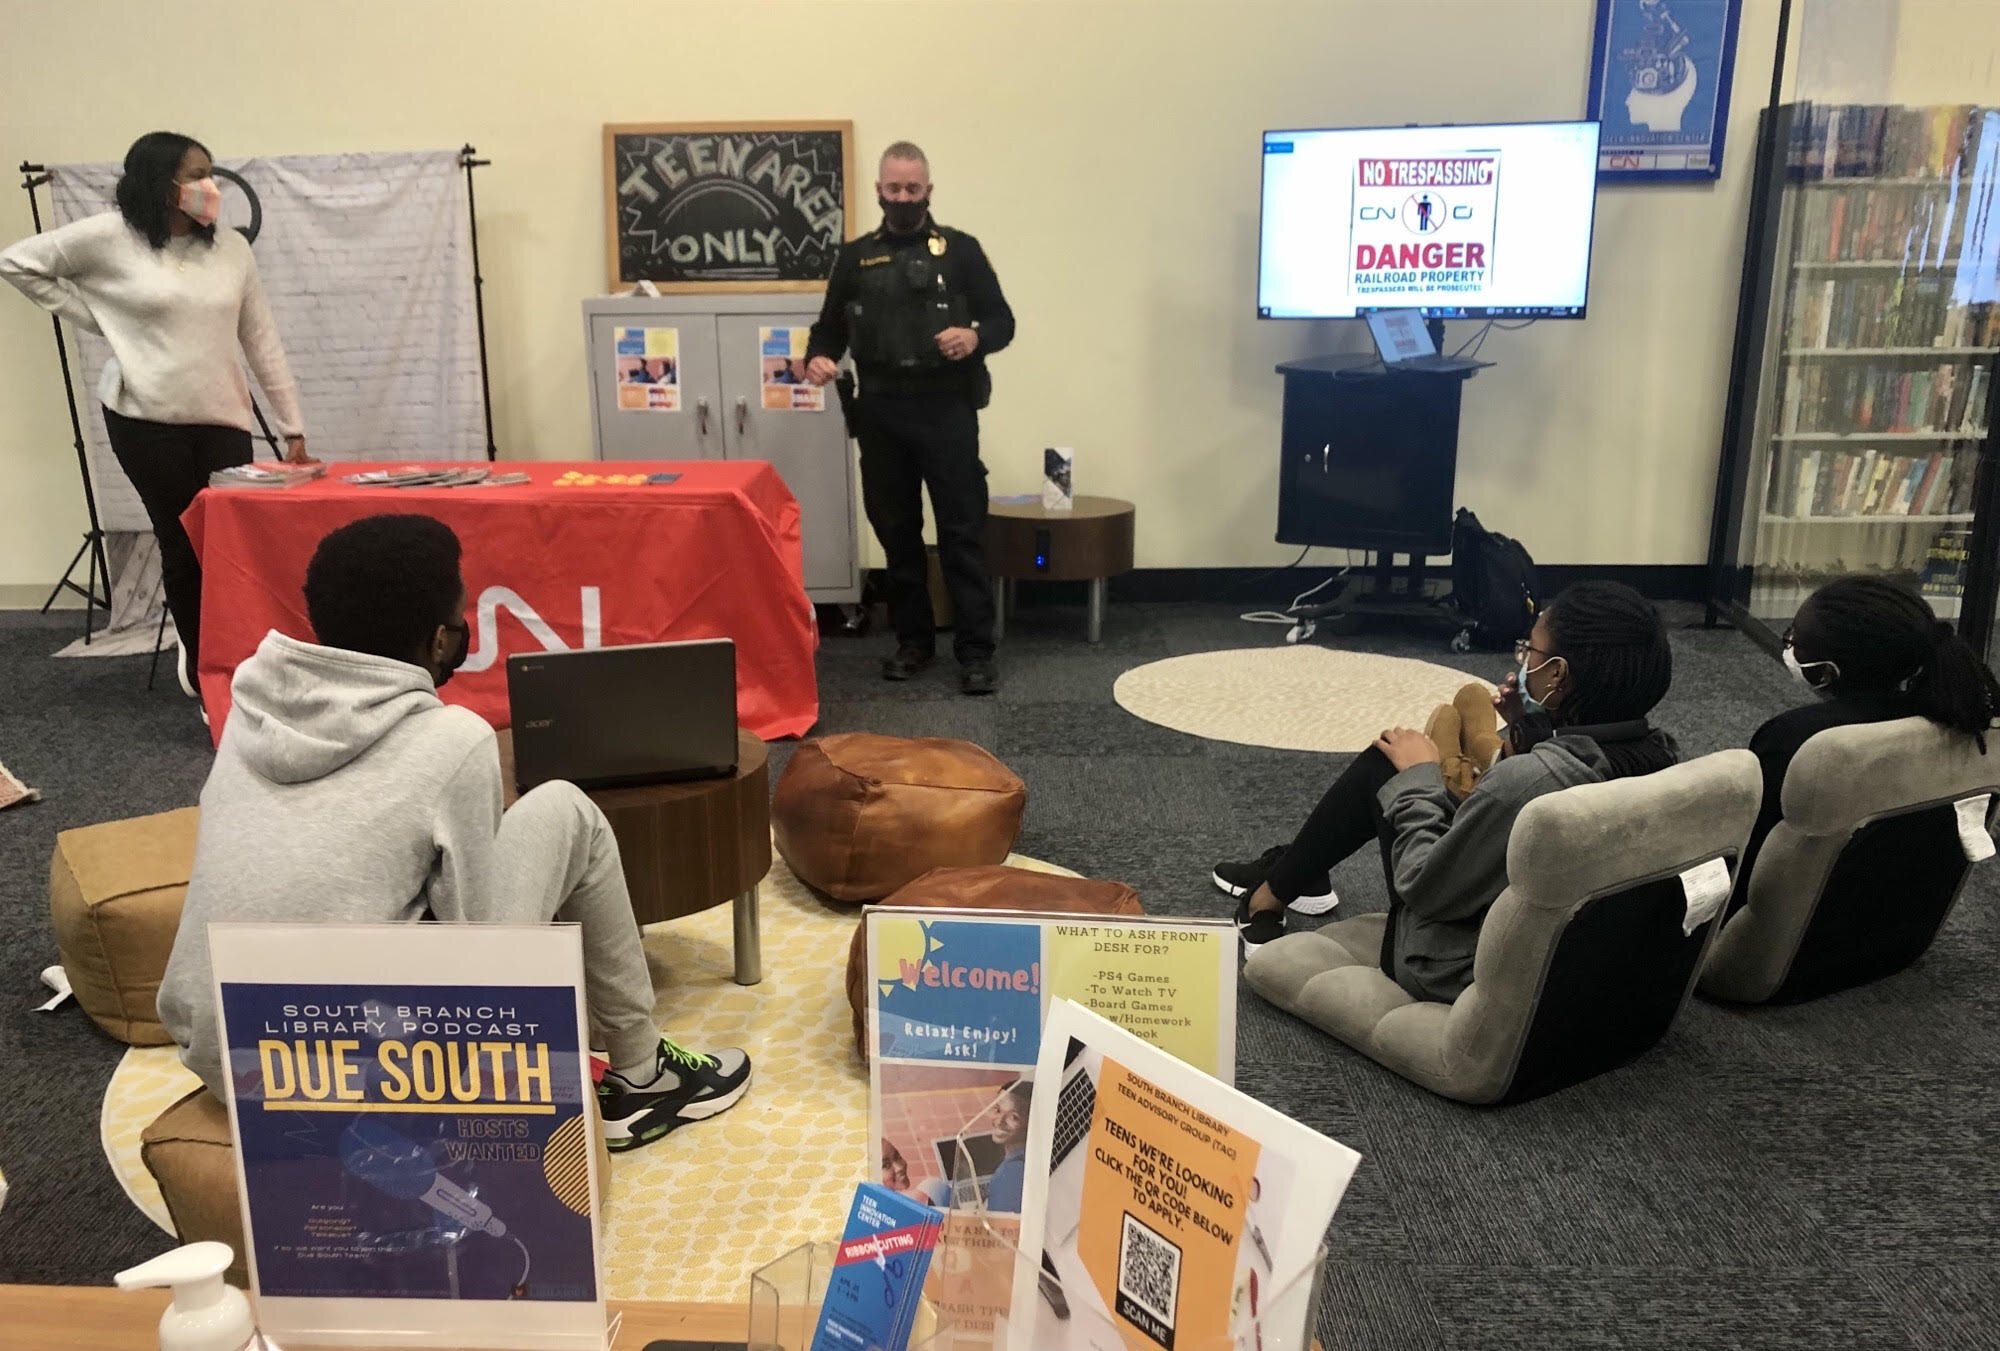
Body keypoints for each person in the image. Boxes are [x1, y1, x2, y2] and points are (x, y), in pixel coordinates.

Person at [154, 514, 752, 1151]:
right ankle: (642, 1072)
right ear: (441, 639)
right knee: (566, 809)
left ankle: (624, 1053)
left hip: (224, 1055)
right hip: (371, 1077)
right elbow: (479, 945)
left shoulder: (252, 706)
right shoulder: (453, 739)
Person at [1217, 581, 1679, 1002]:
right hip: (1577, 957)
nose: (1523, 662)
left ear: (1556, 674)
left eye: (1530, 653)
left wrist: (1416, 778)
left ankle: (1272, 891)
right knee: (1423, 759)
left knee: (1389, 759)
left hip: (1452, 963)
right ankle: (1300, 867)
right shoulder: (1662, 758)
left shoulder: (1530, 784)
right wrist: (1527, 726)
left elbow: (1424, 887)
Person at [0, 131, 311, 714]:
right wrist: (98, 319)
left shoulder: (231, 253)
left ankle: (233, 654)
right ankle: (205, 670)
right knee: (184, 541)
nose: (208, 186)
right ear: (159, 183)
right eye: (195, 174)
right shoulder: (109, 238)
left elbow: (260, 339)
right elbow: (16, 262)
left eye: (209, 172)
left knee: (227, 546)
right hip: (144, 419)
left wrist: (292, 424)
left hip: (221, 417)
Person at [805, 141, 1015, 696]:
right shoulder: (853, 258)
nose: (903, 197)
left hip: (946, 409)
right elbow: (827, 329)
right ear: (878, 190)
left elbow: (1003, 321)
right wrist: (818, 359)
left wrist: (974, 336)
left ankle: (975, 651)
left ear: (928, 191)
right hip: (880, 413)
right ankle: (913, 643)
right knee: (897, 534)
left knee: (961, 532)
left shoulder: (962, 251)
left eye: (913, 189)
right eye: (893, 189)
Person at [1736, 576, 2000, 904]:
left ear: (1825, 673)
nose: (1788, 645)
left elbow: (1748, 867)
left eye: (1794, 639)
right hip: (1902, 934)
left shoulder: (1796, 739)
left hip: (1792, 943)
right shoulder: (1970, 718)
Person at [982, 1081, 1032, 1212]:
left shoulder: (1008, 1175)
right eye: (997, 1110)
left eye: (1013, 1117)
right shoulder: (1023, 1154)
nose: (999, 1121)